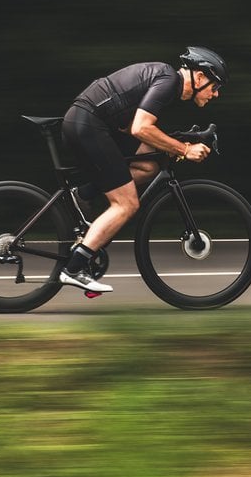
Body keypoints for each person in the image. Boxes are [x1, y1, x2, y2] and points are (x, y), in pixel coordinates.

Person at [58, 46, 228, 293]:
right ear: (200, 77)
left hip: (92, 123)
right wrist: (184, 149)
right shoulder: (169, 81)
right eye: (215, 86)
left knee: (148, 165)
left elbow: (136, 129)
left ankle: (83, 195)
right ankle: (74, 268)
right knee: (127, 204)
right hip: (89, 125)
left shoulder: (166, 79)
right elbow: (140, 128)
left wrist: (177, 142)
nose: (215, 94)